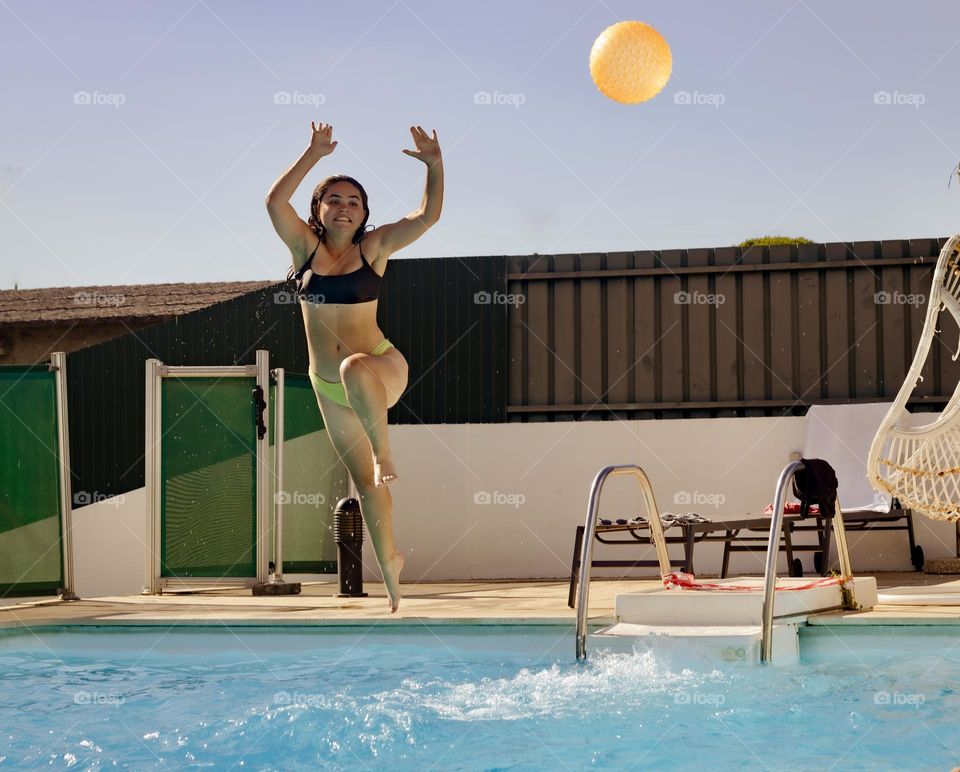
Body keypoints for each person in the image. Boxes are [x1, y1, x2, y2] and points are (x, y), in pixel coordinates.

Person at [266, 121, 443, 612]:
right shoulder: (305, 251)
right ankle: (390, 567)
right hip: (328, 386)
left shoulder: (375, 248)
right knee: (365, 487)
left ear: (364, 214)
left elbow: (427, 216)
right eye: (334, 199)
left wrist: (434, 165)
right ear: (318, 210)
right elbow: (273, 204)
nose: (344, 207)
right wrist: (312, 154)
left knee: (355, 371)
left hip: (379, 368)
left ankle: (386, 453)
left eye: (354, 202)